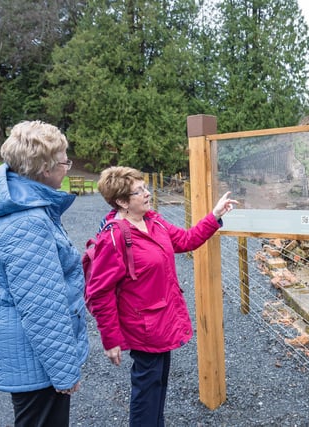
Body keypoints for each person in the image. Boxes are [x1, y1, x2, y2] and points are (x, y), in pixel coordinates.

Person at [84, 166, 238, 427]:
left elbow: (187, 240)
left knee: (158, 384)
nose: (147, 193)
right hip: (142, 327)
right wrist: (110, 339)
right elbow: (99, 292)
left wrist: (215, 215)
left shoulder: (154, 222)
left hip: (162, 322)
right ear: (121, 201)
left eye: (145, 187)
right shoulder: (115, 236)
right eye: (139, 191)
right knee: (147, 390)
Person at [0, 121, 89, 426]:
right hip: (35, 360)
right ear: (44, 168)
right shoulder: (26, 222)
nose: (67, 167)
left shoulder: (18, 201)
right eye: (64, 160)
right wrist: (64, 371)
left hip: (29, 353)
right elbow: (42, 307)